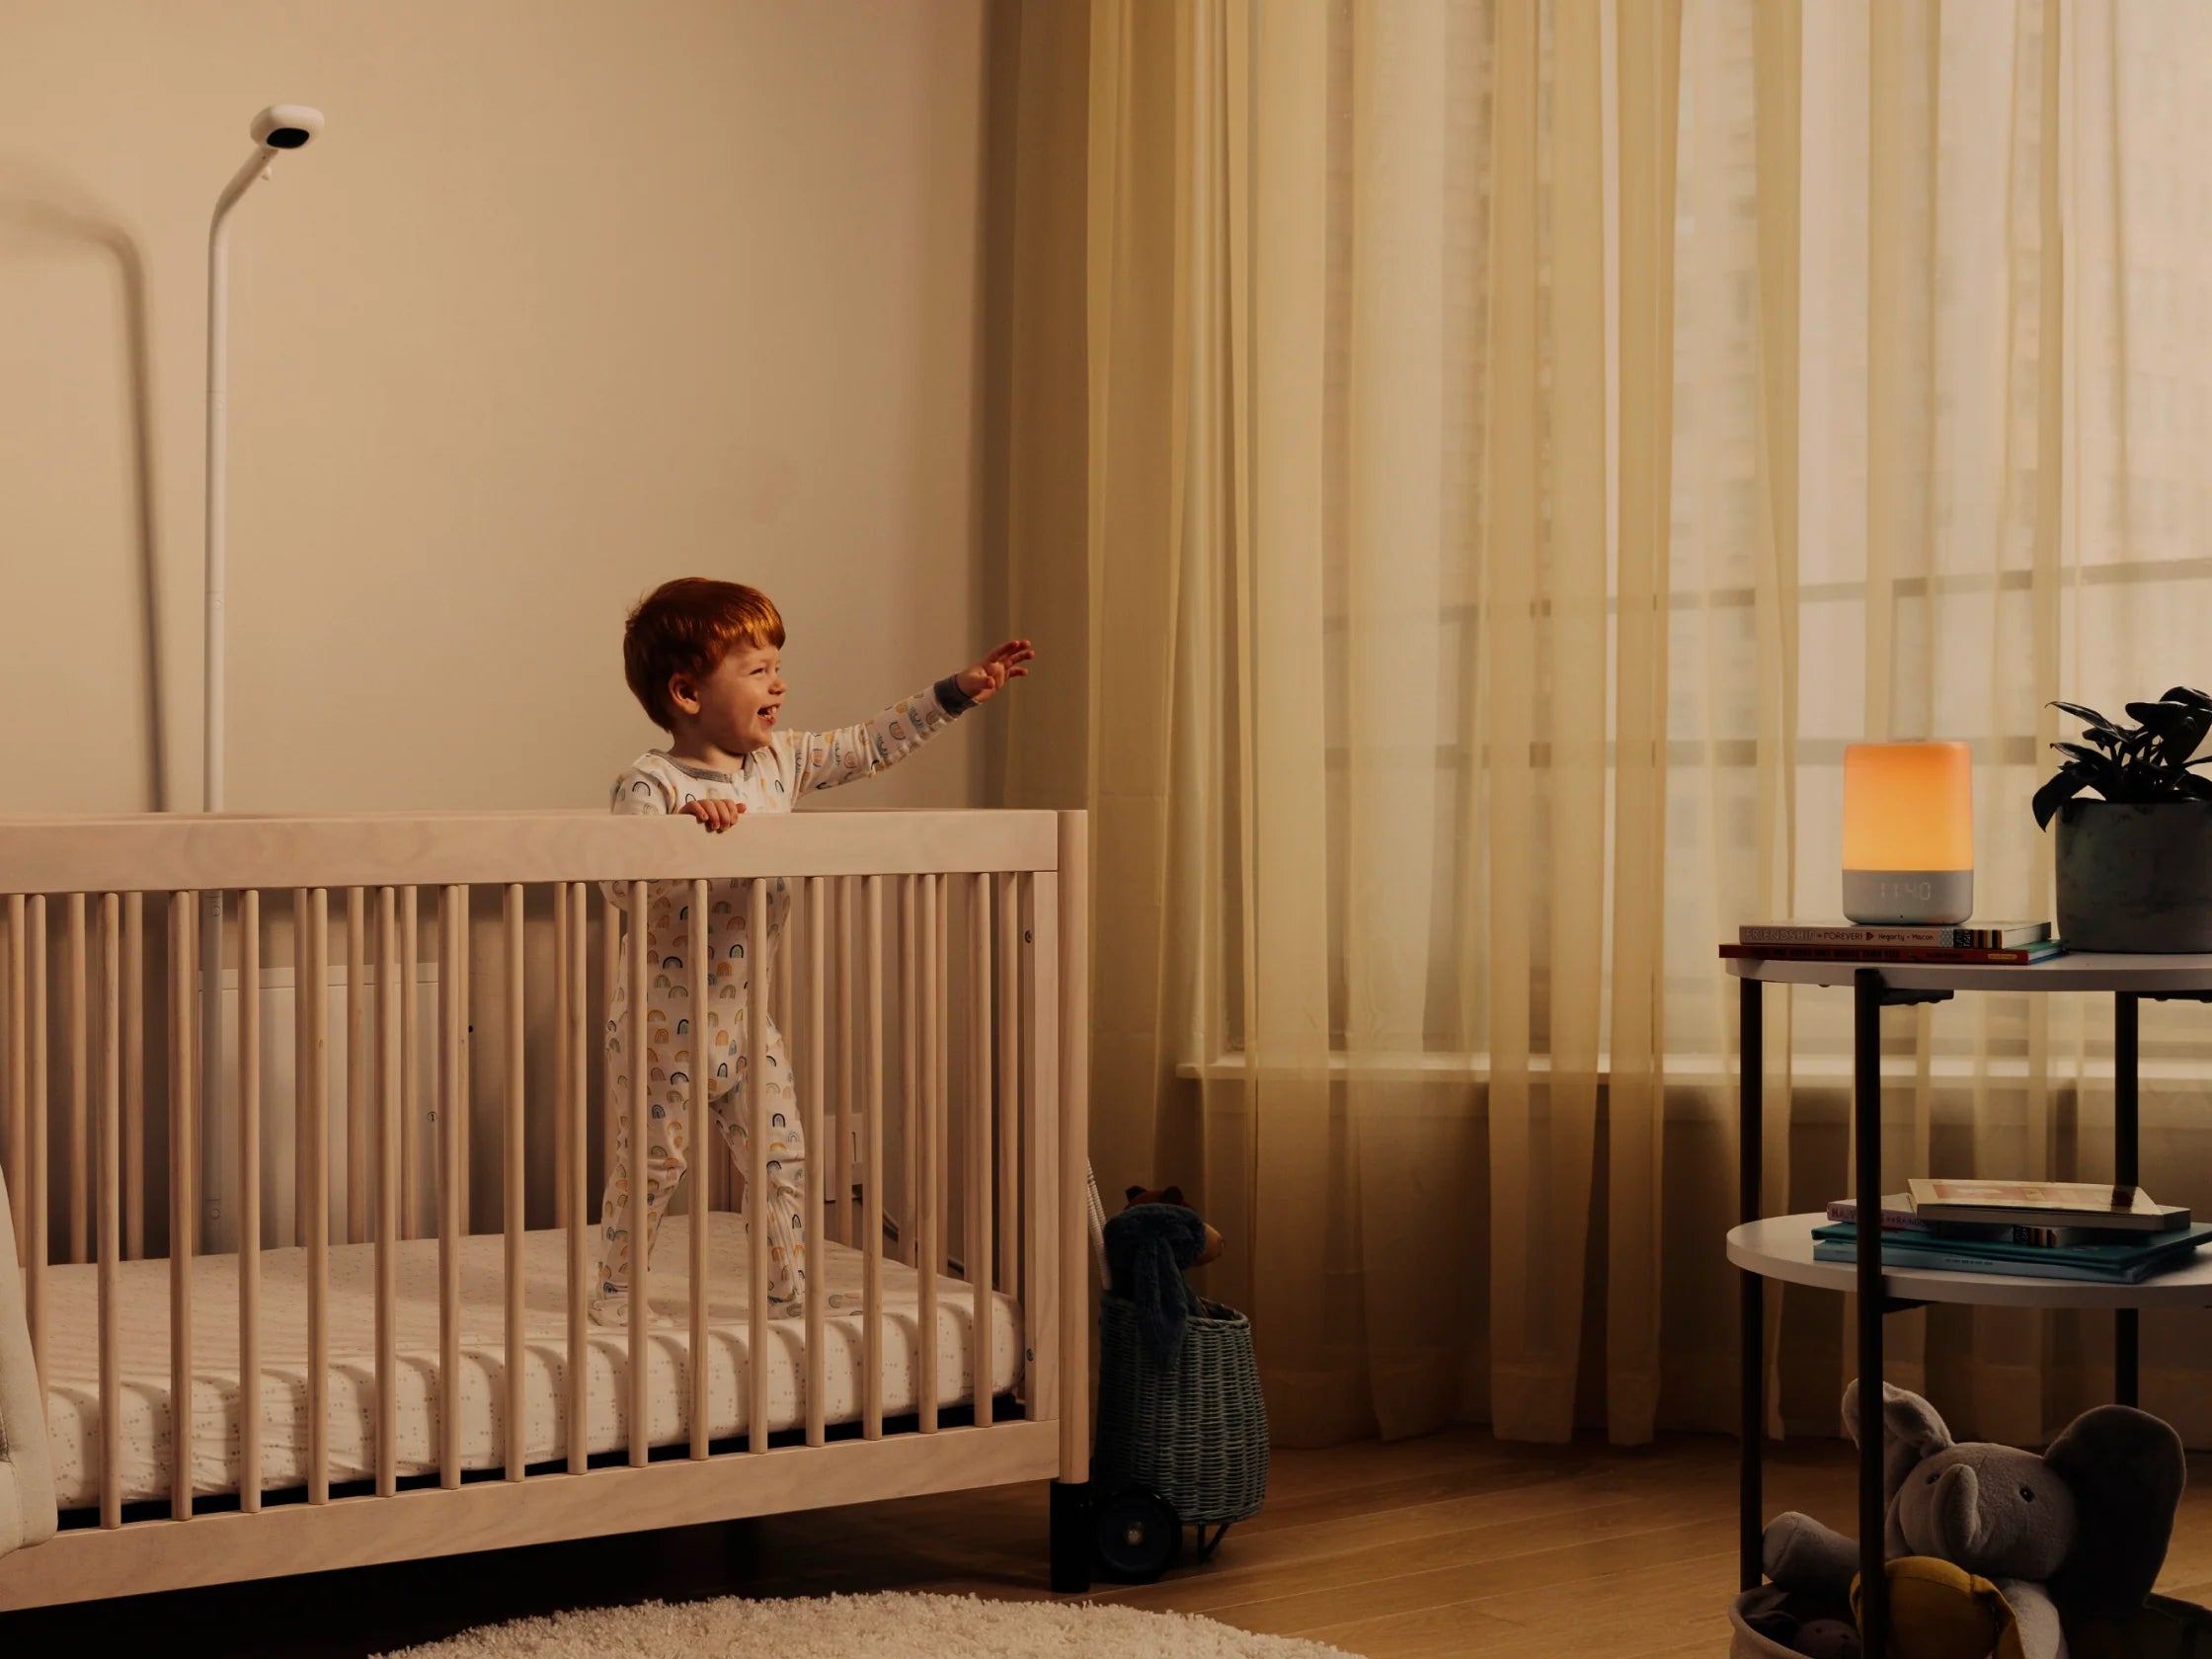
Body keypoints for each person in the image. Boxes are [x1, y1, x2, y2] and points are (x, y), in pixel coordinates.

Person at [593, 576, 1033, 1324]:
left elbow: (867, 745)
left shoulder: (780, 764)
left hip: (744, 1017)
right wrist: (683, 833)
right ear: (688, 692)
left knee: (782, 1156)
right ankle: (616, 1295)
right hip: (665, 1023)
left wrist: (955, 693)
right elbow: (619, 887)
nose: (780, 683)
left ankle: (788, 1291)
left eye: (777, 665)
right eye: (757, 669)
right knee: (657, 1163)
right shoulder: (653, 784)